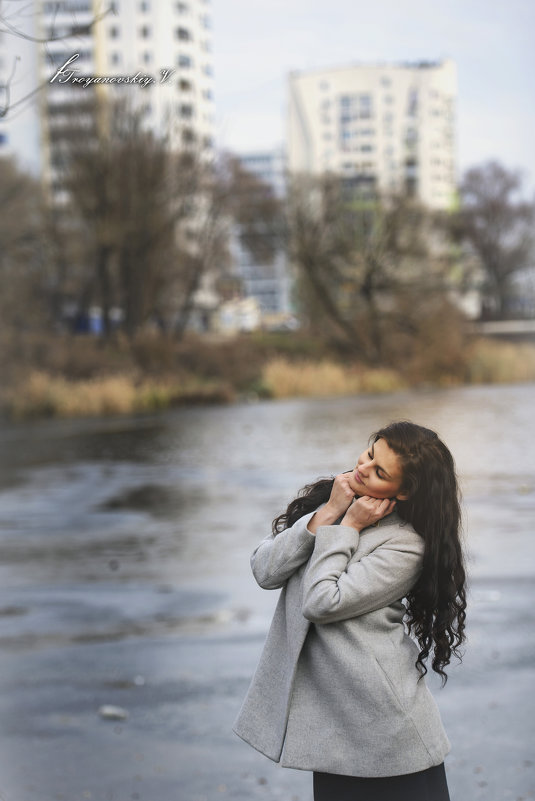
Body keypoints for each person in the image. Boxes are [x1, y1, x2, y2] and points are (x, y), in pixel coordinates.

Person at [233, 421, 467, 801]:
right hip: (335, 725)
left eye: (379, 472)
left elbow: (322, 603)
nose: (363, 468)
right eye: (370, 454)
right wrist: (328, 513)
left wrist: (350, 527)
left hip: (384, 732)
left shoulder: (405, 547)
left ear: (404, 490)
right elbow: (265, 570)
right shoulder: (332, 501)